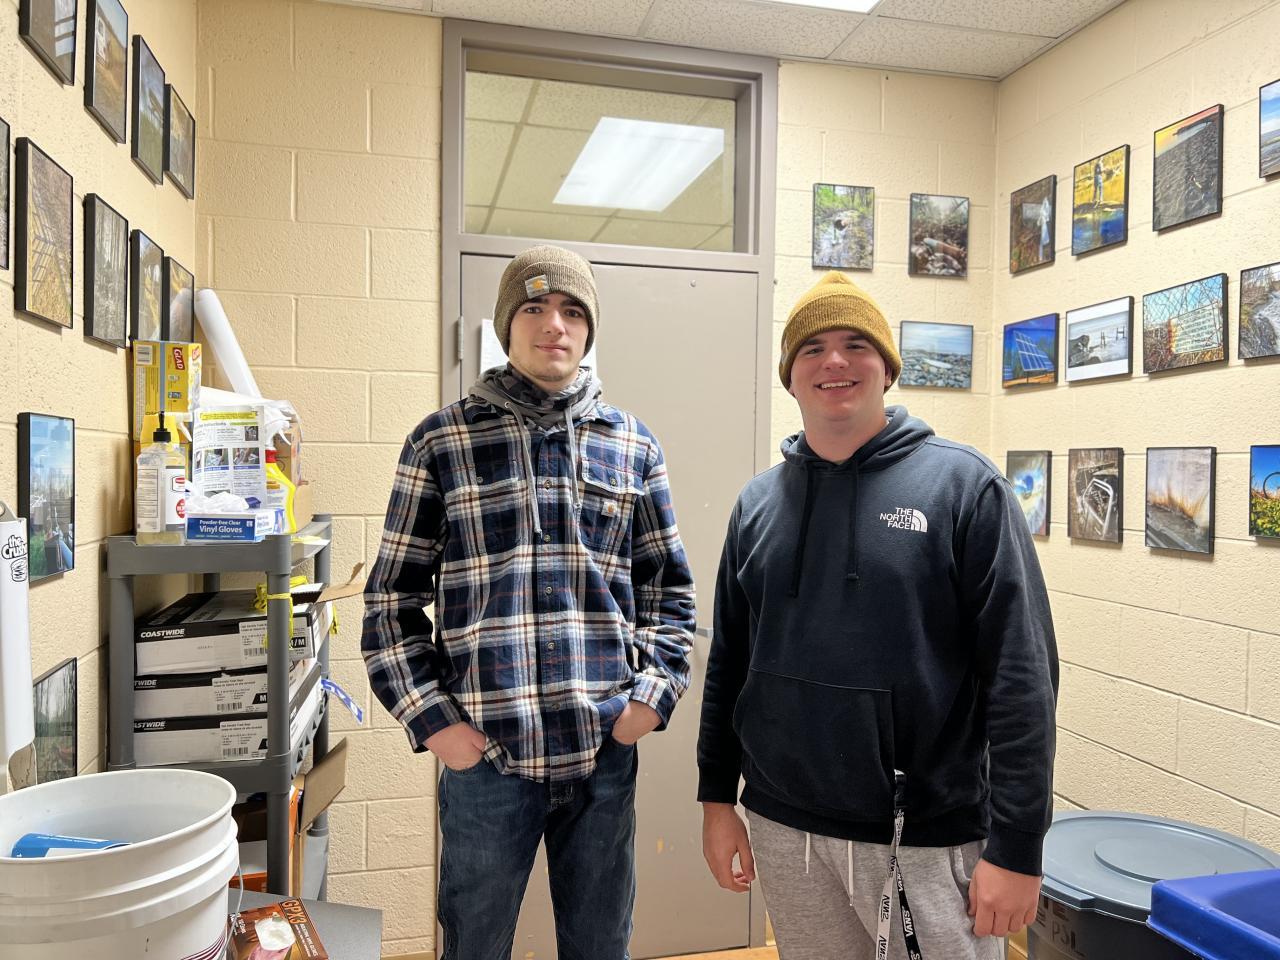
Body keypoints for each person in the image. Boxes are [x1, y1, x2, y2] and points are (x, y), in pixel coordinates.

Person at [698, 271, 1058, 960]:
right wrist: (718, 800)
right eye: (812, 348)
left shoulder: (966, 489)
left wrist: (1017, 847)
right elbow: (730, 666)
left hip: (924, 836)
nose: (834, 361)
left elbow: (1022, 677)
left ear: (888, 368)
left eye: (856, 344)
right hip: (785, 827)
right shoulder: (757, 506)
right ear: (790, 376)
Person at [362, 244, 696, 960]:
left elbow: (669, 591)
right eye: (536, 307)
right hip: (488, 759)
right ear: (506, 323)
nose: (555, 325)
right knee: (475, 947)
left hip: (602, 754)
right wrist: (438, 726)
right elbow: (390, 603)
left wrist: (648, 701)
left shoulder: (632, 445)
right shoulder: (441, 441)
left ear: (590, 329)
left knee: (600, 945)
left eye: (573, 311)